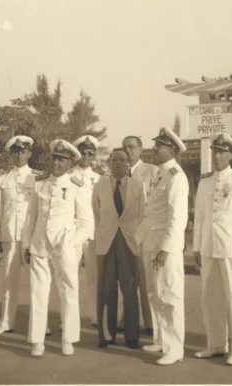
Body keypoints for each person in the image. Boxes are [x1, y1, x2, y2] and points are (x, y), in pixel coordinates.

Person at [23, 139, 92, 357]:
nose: (56, 163)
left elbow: (86, 223)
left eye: (62, 160)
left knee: (69, 291)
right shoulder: (40, 183)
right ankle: (37, 341)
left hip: (65, 246)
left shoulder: (77, 186)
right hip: (40, 244)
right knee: (37, 292)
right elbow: (30, 217)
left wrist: (72, 244)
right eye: (55, 158)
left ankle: (68, 339)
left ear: (70, 163)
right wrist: (27, 244)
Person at [193, 133, 232, 366]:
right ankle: (216, 344)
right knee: (210, 297)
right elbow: (200, 216)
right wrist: (197, 247)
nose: (217, 156)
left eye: (222, 152)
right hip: (209, 247)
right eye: (215, 151)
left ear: (231, 155)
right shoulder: (205, 180)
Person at [141, 127, 189, 365]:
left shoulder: (176, 176)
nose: (154, 149)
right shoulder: (158, 174)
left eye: (158, 146)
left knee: (170, 295)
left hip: (164, 246)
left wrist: (166, 248)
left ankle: (174, 348)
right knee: (154, 293)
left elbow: (177, 217)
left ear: (170, 149)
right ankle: (160, 339)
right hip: (151, 242)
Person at [92, 148, 146, 349]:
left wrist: (134, 238)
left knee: (130, 288)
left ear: (128, 164)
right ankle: (106, 335)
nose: (118, 163)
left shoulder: (138, 187)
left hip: (129, 241)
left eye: (122, 160)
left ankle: (132, 336)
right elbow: (96, 213)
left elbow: (142, 216)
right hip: (106, 241)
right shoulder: (99, 186)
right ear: (108, 163)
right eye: (114, 160)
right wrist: (105, 231)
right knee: (106, 289)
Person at [0, 135, 43, 335]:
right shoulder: (2, 179)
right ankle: (6, 321)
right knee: (8, 280)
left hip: (31, 236)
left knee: (38, 281)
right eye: (15, 152)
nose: (19, 156)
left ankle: (40, 324)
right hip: (10, 235)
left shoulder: (38, 177)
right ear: (11, 154)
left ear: (29, 153)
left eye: (23, 152)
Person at [119, 135, 159, 336]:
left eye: (132, 147)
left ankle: (151, 322)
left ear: (141, 150)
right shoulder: (119, 174)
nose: (128, 151)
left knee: (146, 277)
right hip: (124, 231)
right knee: (126, 278)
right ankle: (127, 318)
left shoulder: (151, 171)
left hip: (144, 230)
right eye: (124, 147)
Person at [72, 135, 101, 328]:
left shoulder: (99, 179)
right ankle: (70, 316)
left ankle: (95, 315)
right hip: (73, 231)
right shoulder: (68, 177)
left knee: (94, 275)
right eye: (83, 153)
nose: (86, 156)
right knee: (70, 274)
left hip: (94, 232)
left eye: (90, 153)